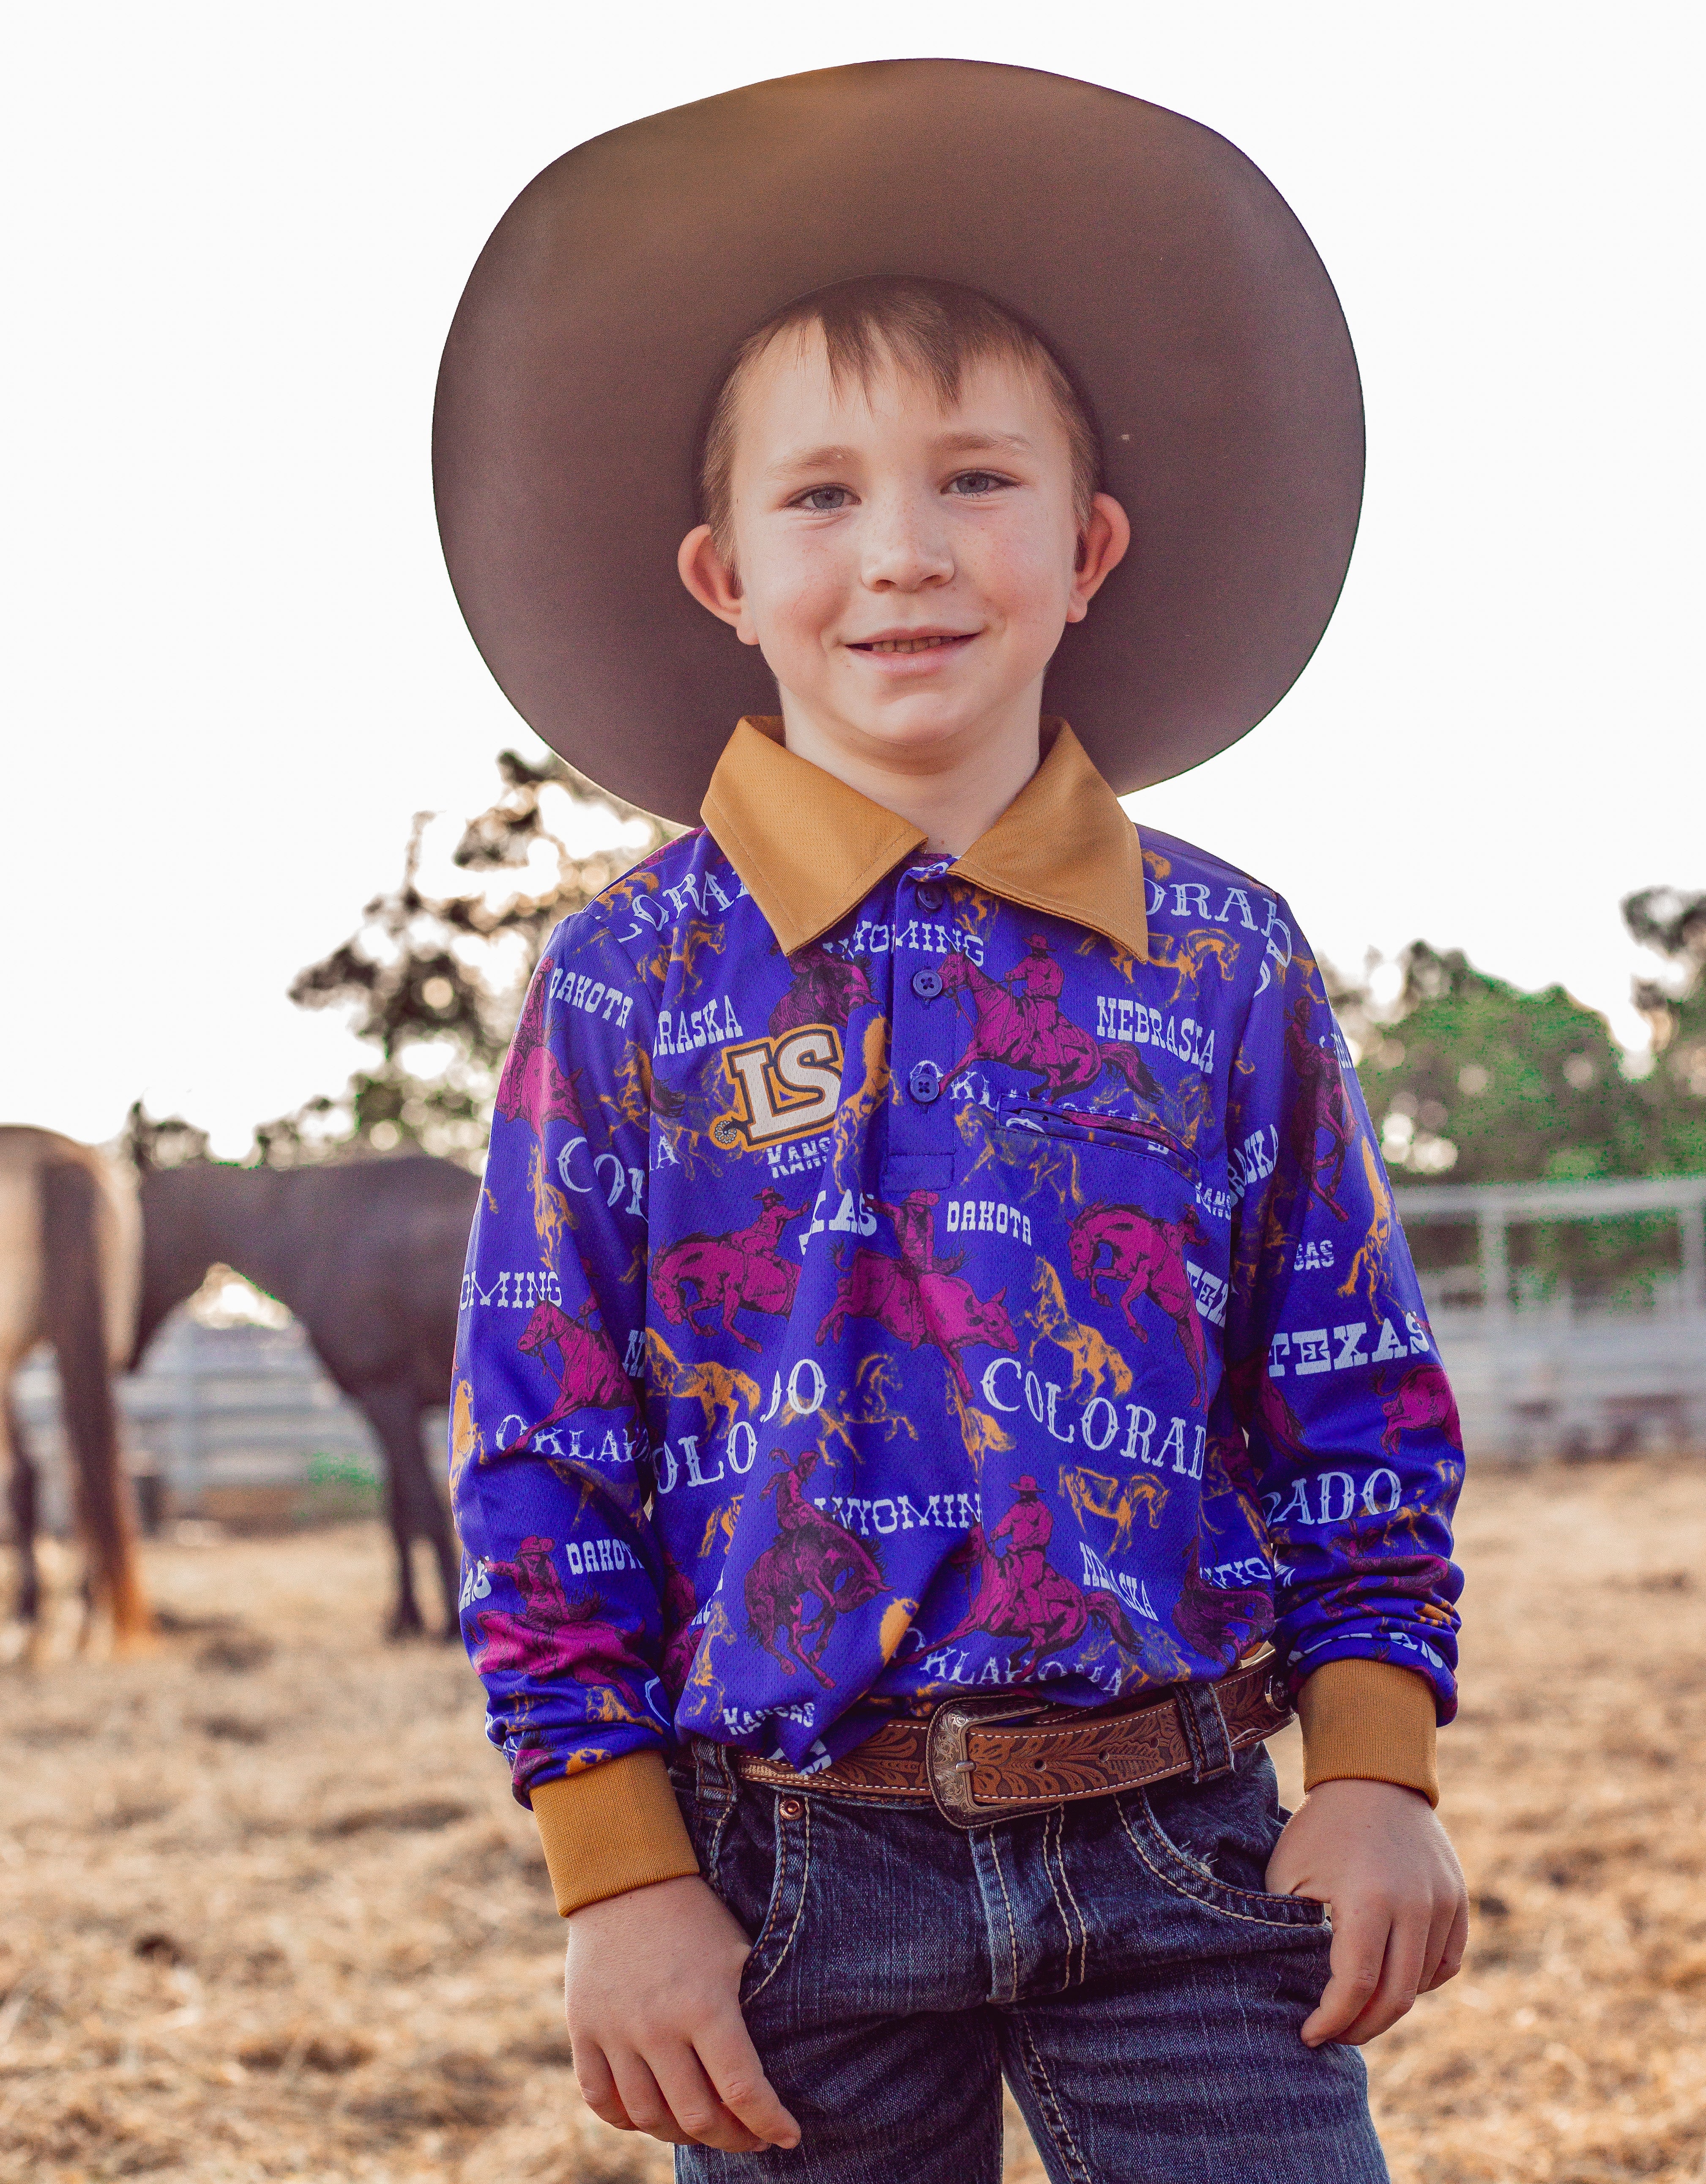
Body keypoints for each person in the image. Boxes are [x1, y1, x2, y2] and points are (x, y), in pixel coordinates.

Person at [437, 60, 1467, 2183]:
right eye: (821, 498)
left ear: (1084, 547)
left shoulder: (1223, 959)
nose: (901, 553)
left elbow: (1351, 1384)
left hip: (1184, 1850)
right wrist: (614, 1866)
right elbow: (543, 1443)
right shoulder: (628, 985)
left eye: (973, 480)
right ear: (722, 573)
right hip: (783, 1871)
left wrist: (1372, 1762)